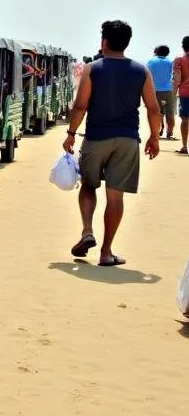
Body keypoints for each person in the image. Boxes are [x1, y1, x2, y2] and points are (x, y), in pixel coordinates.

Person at [64, 20, 160, 266]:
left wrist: (71, 133)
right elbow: (152, 108)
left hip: (96, 138)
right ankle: (106, 252)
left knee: (88, 185)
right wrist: (154, 137)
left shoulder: (92, 69)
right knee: (115, 197)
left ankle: (87, 231)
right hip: (127, 140)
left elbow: (81, 105)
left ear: (103, 42)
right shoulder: (141, 71)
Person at [146, 45, 175, 140]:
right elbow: (174, 76)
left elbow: (147, 75)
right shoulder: (171, 62)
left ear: (156, 52)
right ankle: (169, 132)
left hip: (154, 91)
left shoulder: (151, 61)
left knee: (156, 112)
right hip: (168, 90)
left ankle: (156, 131)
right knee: (170, 113)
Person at [172, 36, 189, 155]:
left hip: (185, 94)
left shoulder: (179, 60)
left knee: (185, 119)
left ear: (183, 47)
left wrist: (173, 95)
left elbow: (177, 79)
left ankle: (184, 146)